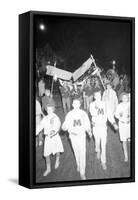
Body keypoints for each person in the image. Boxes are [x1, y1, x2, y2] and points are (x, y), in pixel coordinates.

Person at [62, 99, 92, 180]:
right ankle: (78, 164)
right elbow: (65, 125)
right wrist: (64, 127)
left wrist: (89, 131)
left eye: (77, 103)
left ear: (80, 105)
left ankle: (82, 172)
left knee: (82, 153)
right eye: (74, 103)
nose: (76, 105)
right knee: (76, 151)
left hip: (81, 136)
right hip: (73, 136)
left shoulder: (83, 113)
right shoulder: (69, 114)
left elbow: (87, 124)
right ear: (72, 105)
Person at [36, 103, 64, 176]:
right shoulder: (45, 118)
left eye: (50, 110)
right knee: (46, 154)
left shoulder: (56, 117)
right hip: (48, 138)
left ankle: (57, 160)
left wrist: (54, 131)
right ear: (46, 110)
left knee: (57, 150)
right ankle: (48, 168)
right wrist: (35, 131)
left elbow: (58, 125)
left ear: (53, 110)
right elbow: (40, 126)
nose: (49, 111)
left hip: (55, 137)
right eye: (48, 110)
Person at [90, 89, 108, 170]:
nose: (98, 97)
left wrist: (113, 123)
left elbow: (108, 113)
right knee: (97, 142)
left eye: (99, 95)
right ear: (94, 97)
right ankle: (97, 149)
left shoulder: (104, 104)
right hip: (96, 127)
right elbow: (93, 113)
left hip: (103, 127)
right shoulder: (92, 104)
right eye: (96, 95)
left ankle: (103, 161)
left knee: (103, 145)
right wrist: (96, 107)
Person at [114, 93, 130, 162]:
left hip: (129, 124)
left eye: (126, 98)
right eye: (123, 98)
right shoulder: (119, 106)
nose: (124, 99)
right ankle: (126, 156)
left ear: (128, 98)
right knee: (124, 141)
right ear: (121, 99)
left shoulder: (130, 104)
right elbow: (116, 114)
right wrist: (119, 115)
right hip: (122, 125)